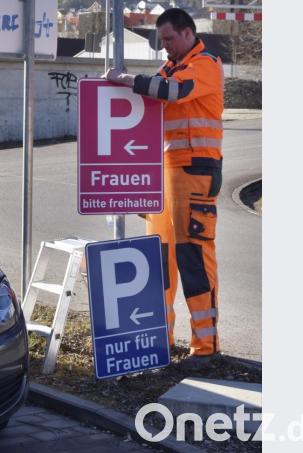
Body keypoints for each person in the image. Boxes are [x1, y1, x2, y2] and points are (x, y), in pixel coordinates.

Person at [104, 8, 223, 366]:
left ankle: (205, 348)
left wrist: (125, 79)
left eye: (169, 39)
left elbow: (170, 92)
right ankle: (160, 341)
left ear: (188, 33)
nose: (165, 47)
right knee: (158, 259)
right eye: (162, 41)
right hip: (165, 174)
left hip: (195, 172)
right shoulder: (170, 67)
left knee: (193, 257)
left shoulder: (204, 65)